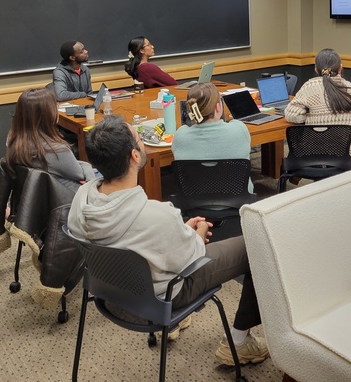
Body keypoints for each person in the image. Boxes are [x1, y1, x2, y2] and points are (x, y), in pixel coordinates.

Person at [68, 115, 268, 365]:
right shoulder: (157, 215)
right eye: (140, 139)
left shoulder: (81, 199)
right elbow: (192, 255)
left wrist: (176, 230)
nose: (142, 143)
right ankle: (239, 344)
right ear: (135, 156)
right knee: (257, 245)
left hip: (109, 290)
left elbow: (139, 240)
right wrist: (198, 230)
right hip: (163, 297)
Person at [284, 48, 351, 165]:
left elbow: (291, 115)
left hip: (313, 158)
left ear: (316, 69)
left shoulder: (309, 87)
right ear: (340, 68)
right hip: (347, 160)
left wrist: (309, 116)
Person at [5, 88, 96, 191]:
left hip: (32, 200)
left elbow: (71, 165)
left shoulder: (13, 140)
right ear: (47, 115)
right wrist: (87, 168)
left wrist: (84, 165)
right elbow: (82, 176)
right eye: (55, 106)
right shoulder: (56, 151)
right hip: (68, 200)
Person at [172, 82, 254, 192]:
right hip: (238, 203)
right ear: (218, 106)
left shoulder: (180, 136)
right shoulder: (239, 129)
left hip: (193, 204)